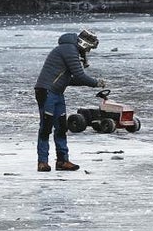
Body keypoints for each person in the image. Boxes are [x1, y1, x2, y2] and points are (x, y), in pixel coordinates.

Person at [34, 29, 104, 172]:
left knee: (61, 127)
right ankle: (42, 161)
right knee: (46, 127)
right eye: (89, 48)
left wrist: (90, 82)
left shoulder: (69, 49)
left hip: (57, 92)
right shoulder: (69, 49)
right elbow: (79, 75)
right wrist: (95, 83)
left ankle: (62, 161)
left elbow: (68, 80)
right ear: (84, 43)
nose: (88, 51)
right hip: (46, 91)